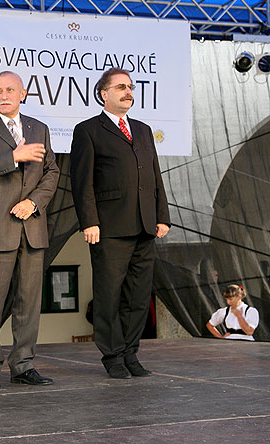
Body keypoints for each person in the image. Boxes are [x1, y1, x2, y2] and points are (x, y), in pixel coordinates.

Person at [70, 67, 170, 379]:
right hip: (109, 227)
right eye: (120, 87)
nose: (128, 92)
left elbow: (154, 175)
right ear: (103, 93)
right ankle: (112, 355)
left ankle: (130, 353)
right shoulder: (88, 130)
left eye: (130, 87)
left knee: (138, 297)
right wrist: (89, 221)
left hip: (144, 225)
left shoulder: (141, 129)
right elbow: (81, 182)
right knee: (108, 296)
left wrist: (162, 216)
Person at [0, 71, 59, 390]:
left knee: (29, 301)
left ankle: (23, 364)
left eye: (10, 89)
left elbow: (51, 172)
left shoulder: (39, 129)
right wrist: (13, 156)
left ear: (23, 93)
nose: (3, 95)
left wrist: (34, 202)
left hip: (31, 226)